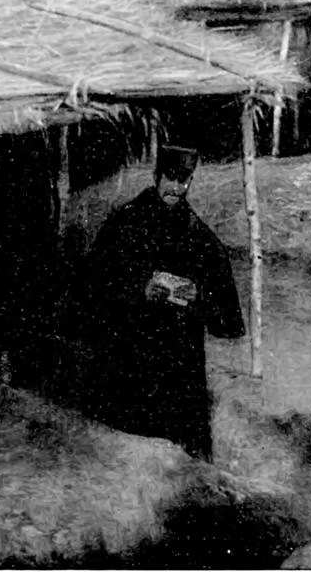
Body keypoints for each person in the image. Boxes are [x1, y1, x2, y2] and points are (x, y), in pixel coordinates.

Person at [71, 145, 244, 462]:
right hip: (130, 359)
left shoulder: (198, 235)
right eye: (171, 178)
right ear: (157, 176)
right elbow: (89, 285)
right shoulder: (124, 223)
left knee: (184, 461)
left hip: (180, 365)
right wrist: (138, 289)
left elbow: (228, 317)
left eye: (185, 180)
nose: (177, 188)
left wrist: (199, 295)